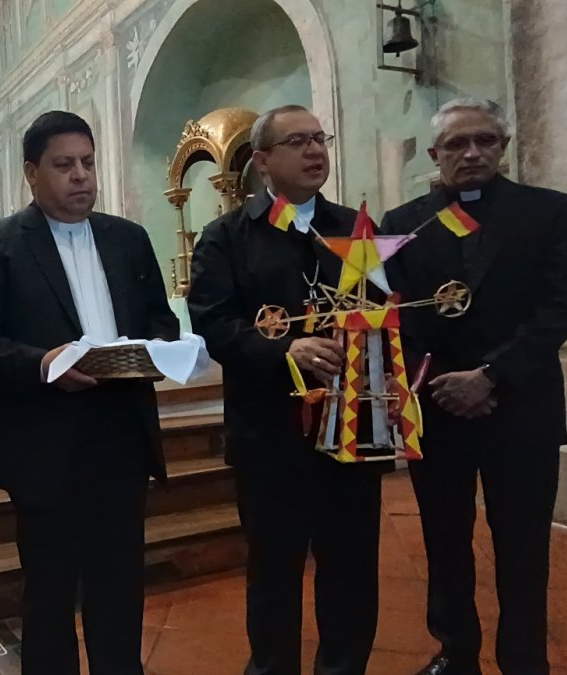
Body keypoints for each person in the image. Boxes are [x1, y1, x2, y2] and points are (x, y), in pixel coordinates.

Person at [0, 111, 179, 674]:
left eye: (88, 163)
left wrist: (156, 349)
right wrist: (42, 363)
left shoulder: (128, 238)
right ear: (32, 172)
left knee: (120, 585)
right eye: (64, 165)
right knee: (50, 592)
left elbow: (159, 318)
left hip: (121, 434)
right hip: (44, 442)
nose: (81, 176)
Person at [381, 98, 567, 675]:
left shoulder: (547, 212)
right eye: (456, 144)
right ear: (434, 155)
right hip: (437, 406)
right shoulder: (402, 224)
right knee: (444, 540)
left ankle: (524, 659)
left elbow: (563, 304)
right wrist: (442, 381)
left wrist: (491, 375)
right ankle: (456, 652)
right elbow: (392, 314)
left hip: (521, 406)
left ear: (503, 146)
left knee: (523, 544)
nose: (472, 153)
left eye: (485, 141)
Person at [188, 104, 382, 675]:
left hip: (351, 426)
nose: (315, 150)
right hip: (269, 435)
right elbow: (215, 323)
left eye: (320, 138)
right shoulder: (226, 237)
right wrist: (285, 351)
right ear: (263, 162)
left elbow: (381, 310)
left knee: (351, 568)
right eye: (297, 141)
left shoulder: (356, 230)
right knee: (273, 571)